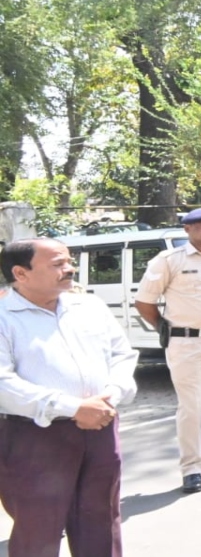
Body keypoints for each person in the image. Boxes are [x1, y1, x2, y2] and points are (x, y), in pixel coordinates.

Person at [0, 238, 138, 556]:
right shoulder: (6, 315)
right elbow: (3, 382)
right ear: (21, 273)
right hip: (34, 437)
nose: (70, 268)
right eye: (57, 264)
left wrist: (111, 394)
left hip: (101, 429)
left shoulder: (88, 306)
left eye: (68, 261)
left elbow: (123, 355)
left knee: (101, 523)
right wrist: (72, 407)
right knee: (39, 530)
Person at [134, 207, 201, 495]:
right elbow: (144, 302)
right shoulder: (169, 260)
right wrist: (164, 327)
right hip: (186, 342)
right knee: (191, 407)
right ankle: (192, 468)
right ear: (187, 230)